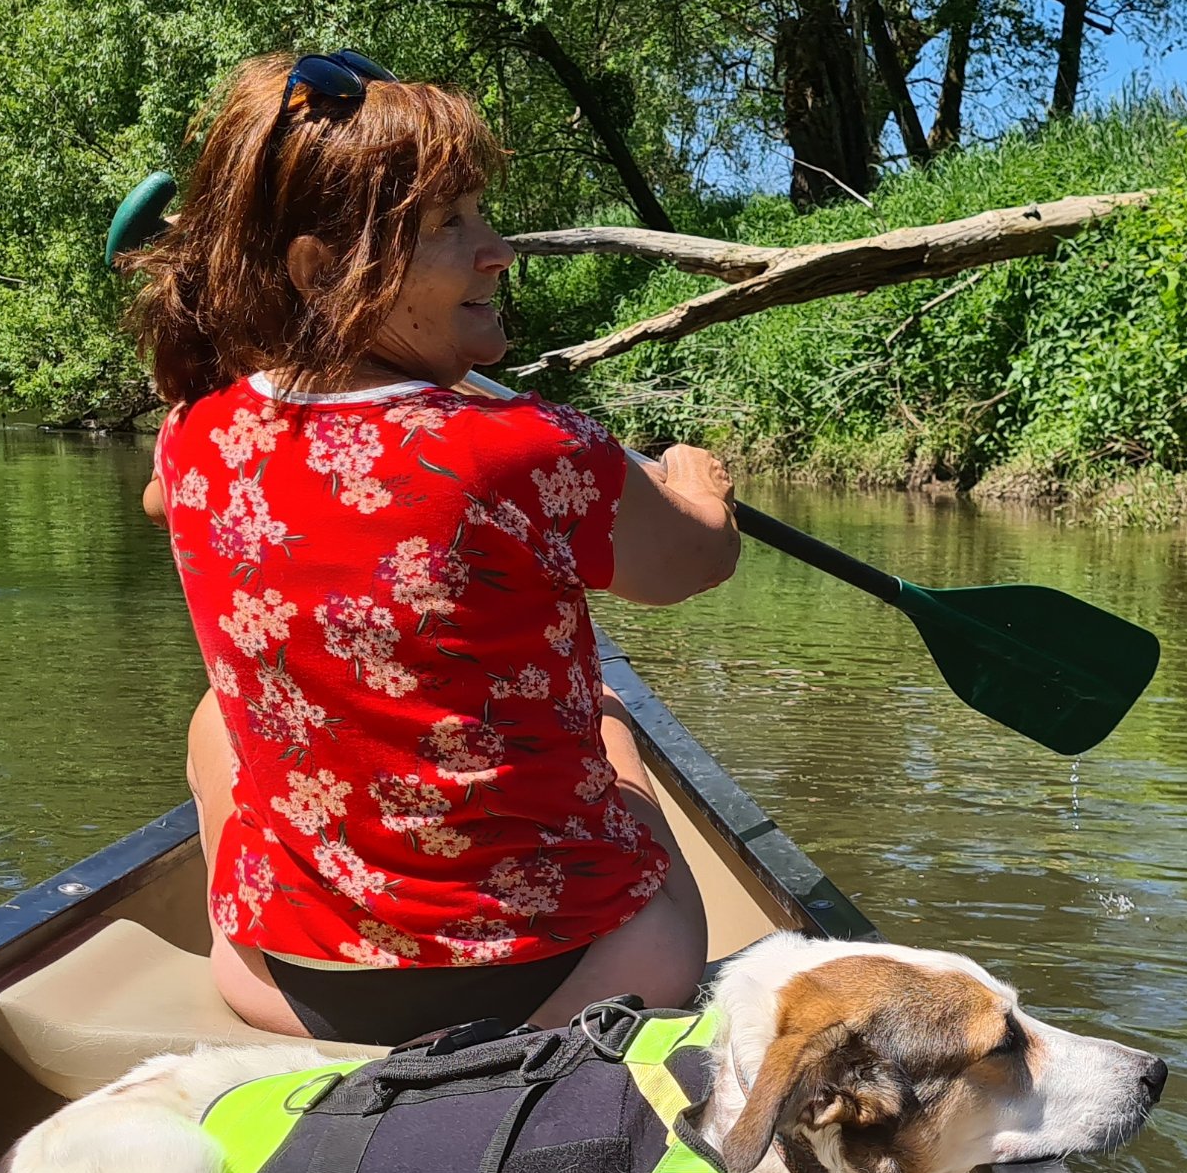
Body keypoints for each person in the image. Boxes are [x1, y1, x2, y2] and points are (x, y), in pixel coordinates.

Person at [120, 52, 738, 1044]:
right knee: (609, 720)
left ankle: (300, 950)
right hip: (583, 980)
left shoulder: (195, 439)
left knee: (212, 721)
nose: (498, 252)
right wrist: (700, 486)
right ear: (320, 272)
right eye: (450, 225)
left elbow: (166, 498)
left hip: (283, 986)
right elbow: (697, 563)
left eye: (481, 215)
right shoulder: (534, 447)